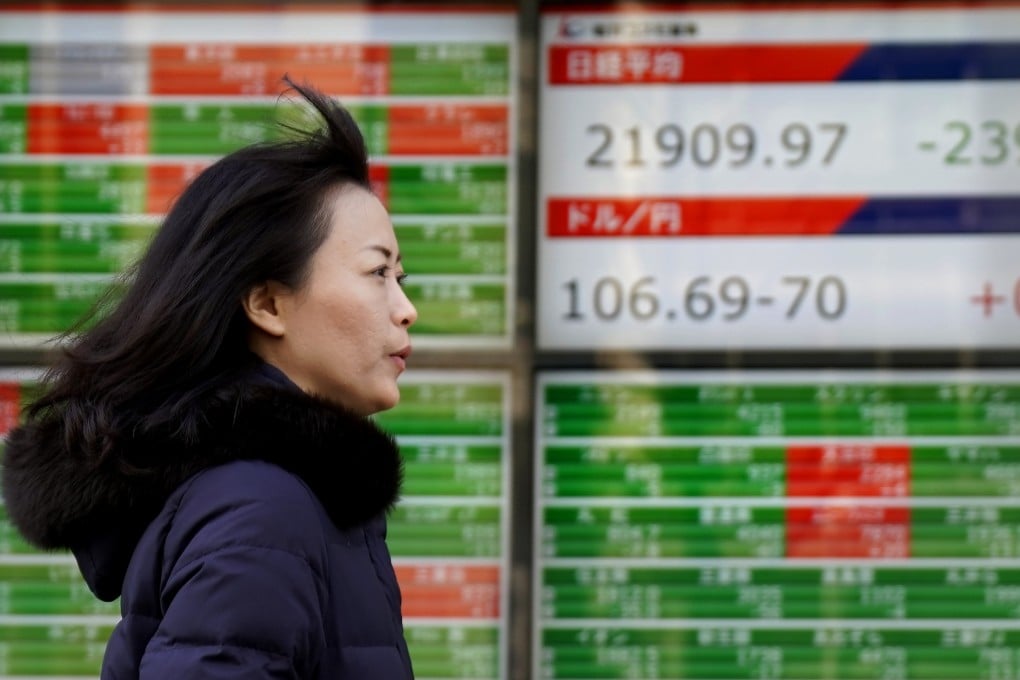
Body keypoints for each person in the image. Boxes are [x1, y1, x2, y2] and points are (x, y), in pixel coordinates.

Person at [0, 78, 418, 679]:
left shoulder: (286, 497)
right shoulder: (259, 513)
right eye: (378, 272)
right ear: (267, 304)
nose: (405, 309)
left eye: (402, 277)